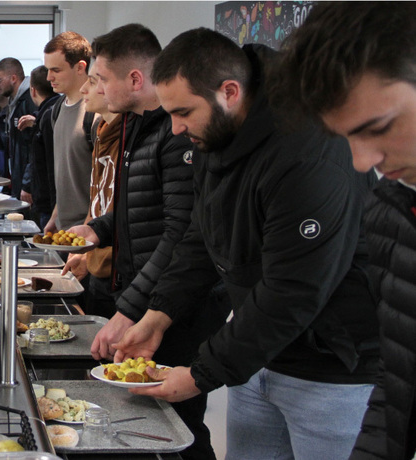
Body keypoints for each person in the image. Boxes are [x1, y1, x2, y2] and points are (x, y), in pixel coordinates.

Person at [112, 28, 381, 460]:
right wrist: (158, 315)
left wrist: (201, 375)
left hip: (333, 371)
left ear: (230, 92)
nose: (175, 128)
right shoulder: (215, 134)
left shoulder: (309, 152)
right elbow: (202, 235)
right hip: (257, 357)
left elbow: (293, 289)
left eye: (183, 112)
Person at [269, 3, 416, 459]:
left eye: (378, 127)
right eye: (346, 136)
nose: (361, 162)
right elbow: (397, 386)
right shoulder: (392, 210)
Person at [69, 24, 220, 460]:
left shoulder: (175, 137)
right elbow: (139, 206)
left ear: (135, 80)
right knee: (144, 418)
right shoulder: (135, 124)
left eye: (100, 79)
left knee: (178, 426)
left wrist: (134, 309)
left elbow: (181, 234)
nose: (92, 88)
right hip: (148, 295)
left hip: (177, 306)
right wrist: (98, 228)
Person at [61, 57, 122, 319]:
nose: (85, 89)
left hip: (117, 273)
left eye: (95, 81)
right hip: (97, 266)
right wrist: (84, 249)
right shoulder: (101, 132)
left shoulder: (128, 139)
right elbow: (97, 201)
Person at [41, 31, 96, 232]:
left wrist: (89, 230)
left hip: (88, 233)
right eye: (48, 69)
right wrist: (56, 216)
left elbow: (104, 184)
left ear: (81, 67)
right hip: (65, 231)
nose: (49, 77)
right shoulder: (56, 109)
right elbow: (66, 174)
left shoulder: (94, 113)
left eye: (56, 69)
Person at [0, 58, 36, 200]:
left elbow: (34, 148)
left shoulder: (28, 102)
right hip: (17, 182)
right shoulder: (14, 103)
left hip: (28, 186)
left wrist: (27, 184)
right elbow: (13, 142)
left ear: (13, 78)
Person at [17, 65, 60, 228]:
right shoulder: (49, 114)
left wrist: (27, 185)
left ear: (33, 91)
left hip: (48, 201)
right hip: (52, 201)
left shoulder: (48, 117)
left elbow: (41, 160)